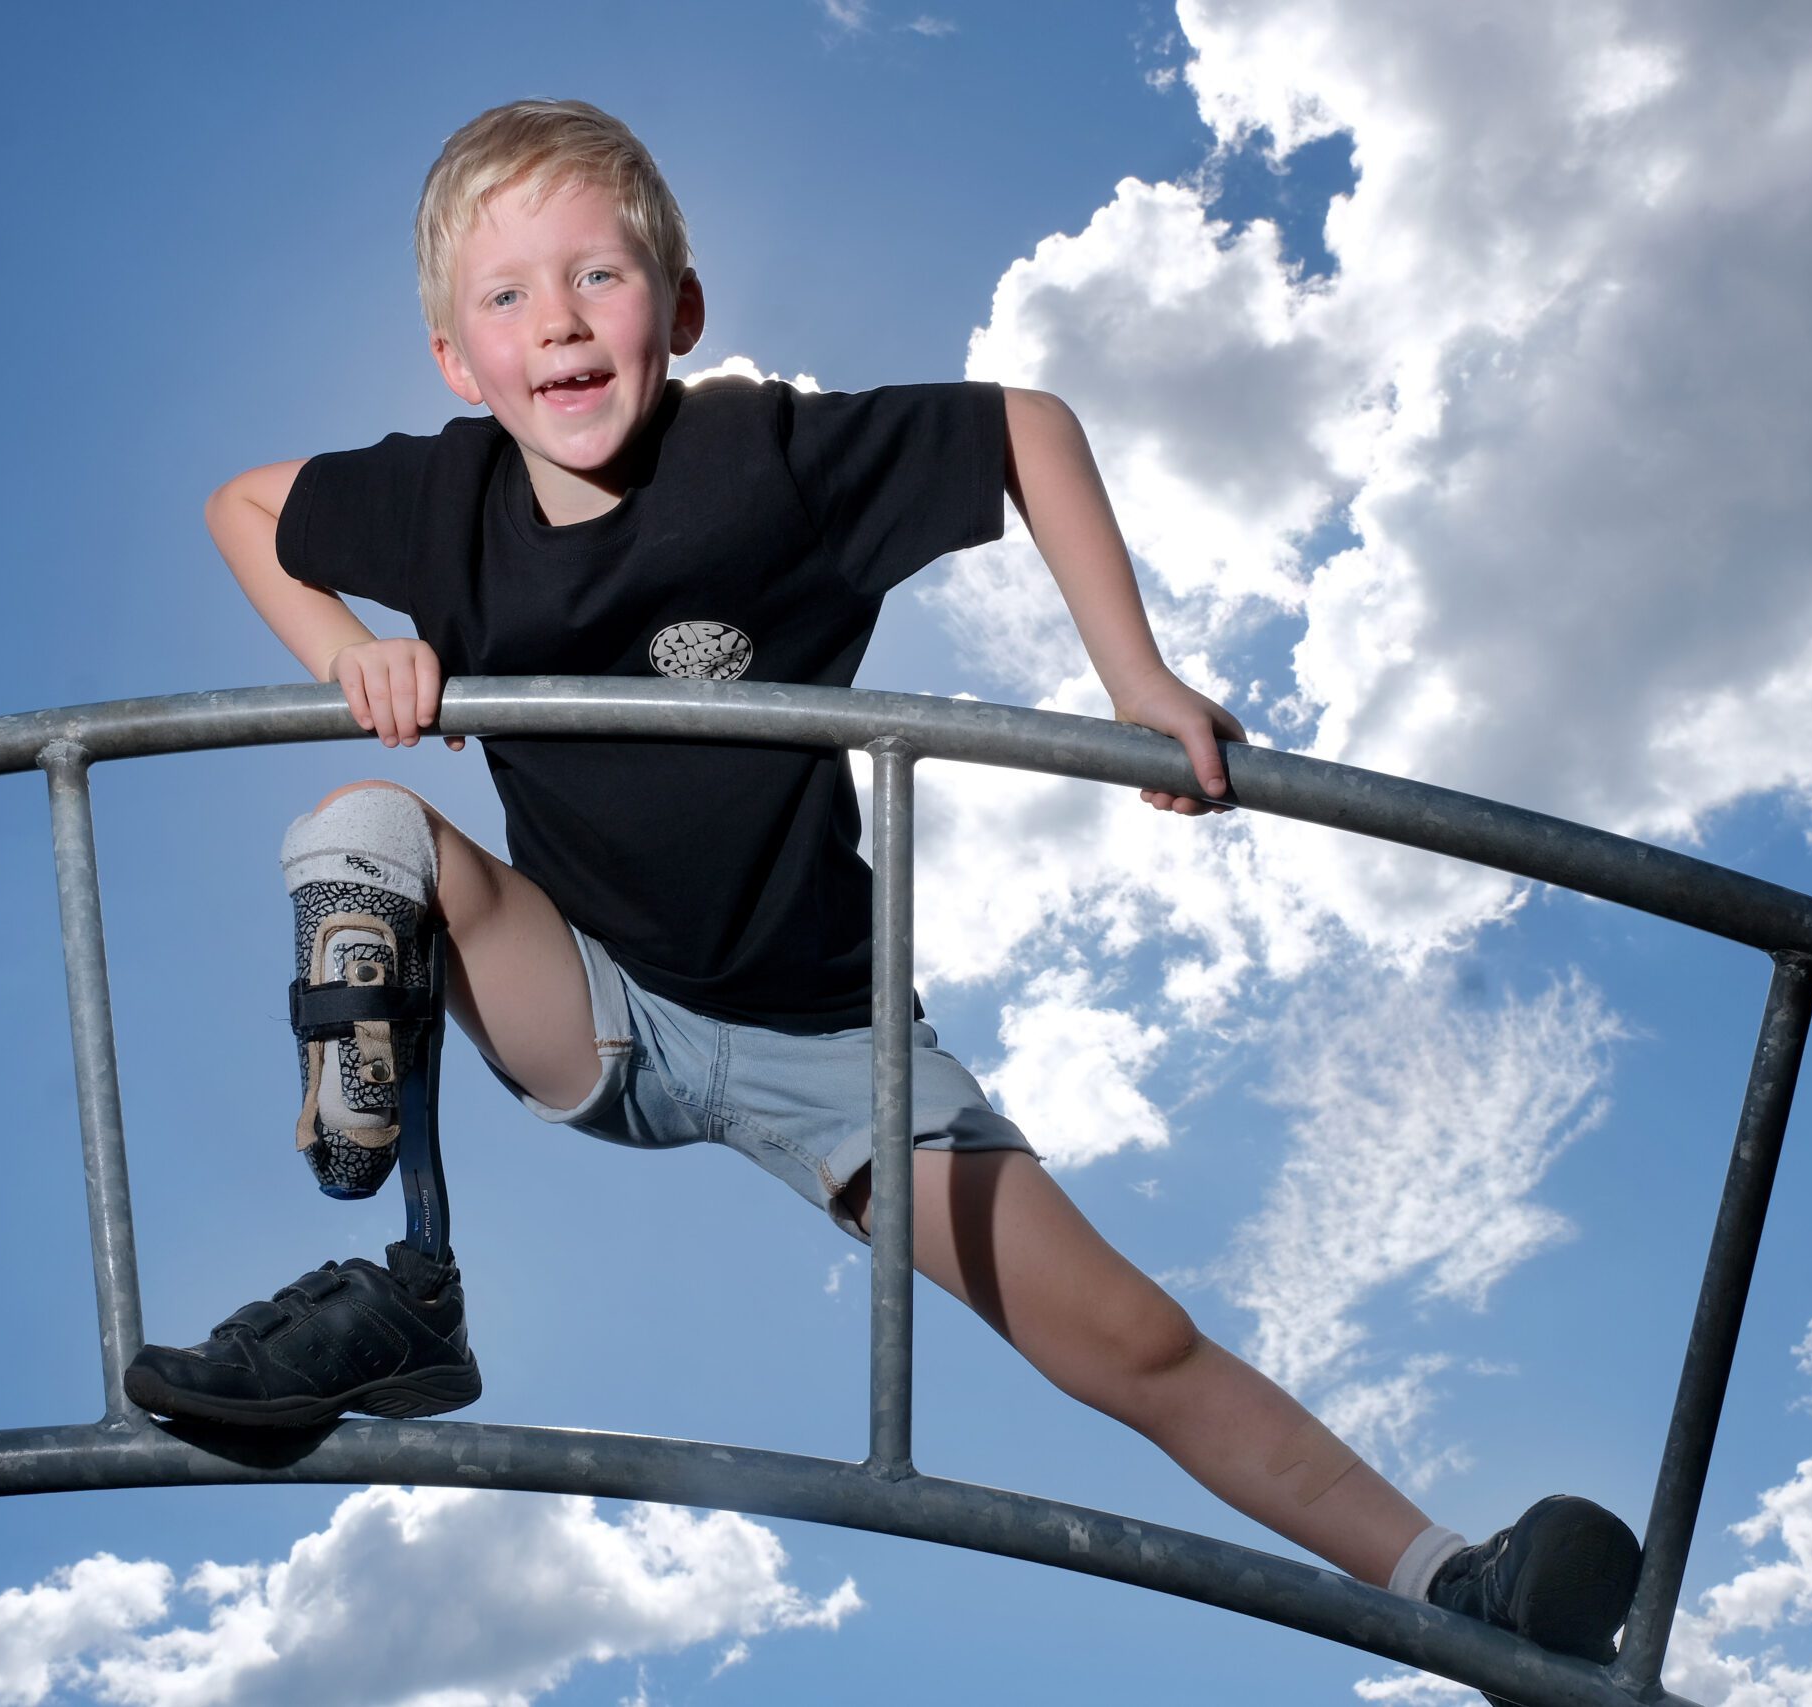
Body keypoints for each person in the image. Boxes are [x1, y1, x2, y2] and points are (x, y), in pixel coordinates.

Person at [123, 97, 1640, 1695]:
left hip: (828, 1041)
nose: (557, 325)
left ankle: (1455, 1587)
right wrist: (349, 651)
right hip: (595, 992)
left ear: (682, 311)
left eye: (598, 281)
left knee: (1126, 1339)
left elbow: (1025, 425)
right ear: (455, 359)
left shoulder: (762, 458)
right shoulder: (439, 500)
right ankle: (410, 1290)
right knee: (361, 821)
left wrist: (1131, 675)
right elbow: (243, 504)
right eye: (506, 298)